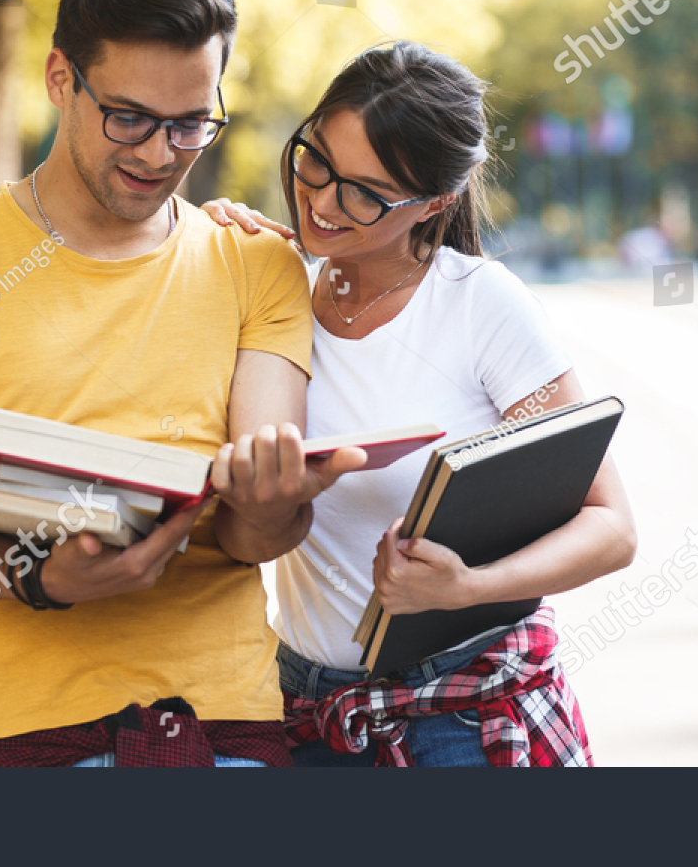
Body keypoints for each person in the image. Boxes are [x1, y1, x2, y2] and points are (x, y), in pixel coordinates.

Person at [0, 0, 363, 768]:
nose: (160, 154)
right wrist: (38, 578)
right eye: (129, 117)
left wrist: (277, 498)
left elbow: (249, 535)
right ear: (61, 79)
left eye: (190, 123)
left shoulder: (257, 263)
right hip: (15, 736)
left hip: (221, 726)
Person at [203, 41, 637, 766]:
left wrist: (469, 586)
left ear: (435, 201)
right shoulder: (272, 290)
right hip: (310, 715)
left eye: (363, 193)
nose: (320, 200)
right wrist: (197, 242)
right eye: (315, 160)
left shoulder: (477, 307)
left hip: (461, 717)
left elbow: (612, 526)